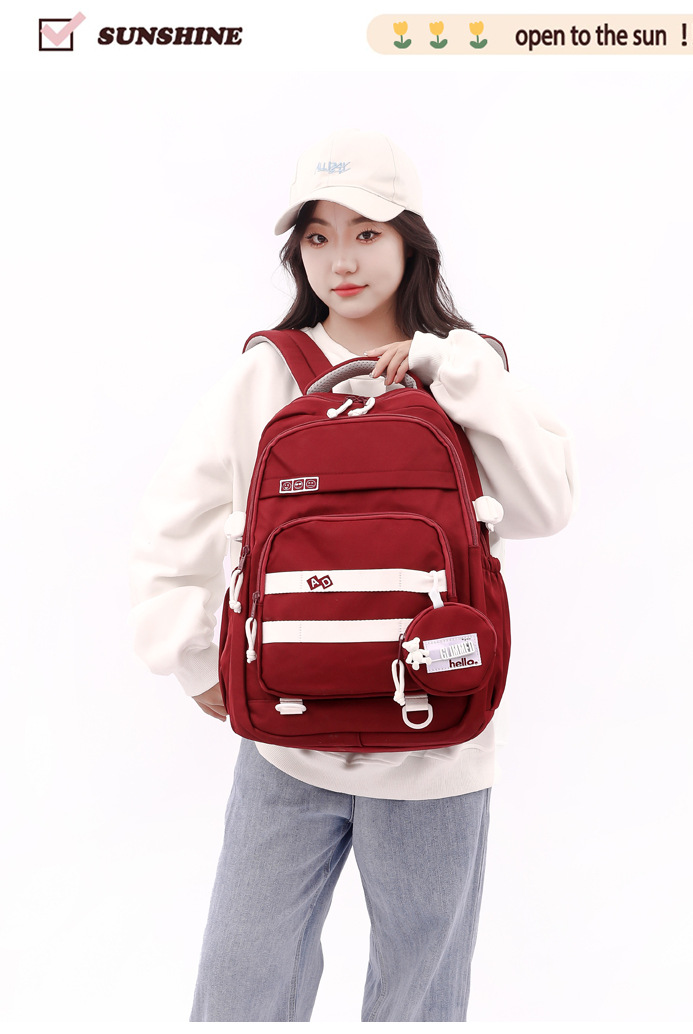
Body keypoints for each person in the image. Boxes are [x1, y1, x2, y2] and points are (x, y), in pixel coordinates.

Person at [129, 129, 577, 1022]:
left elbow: (544, 506)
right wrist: (193, 656)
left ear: (411, 240)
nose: (341, 260)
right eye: (318, 235)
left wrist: (451, 367)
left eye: (367, 232)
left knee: (419, 993)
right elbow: (176, 519)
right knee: (243, 982)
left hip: (436, 740)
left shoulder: (467, 368)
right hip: (287, 735)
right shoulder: (272, 370)